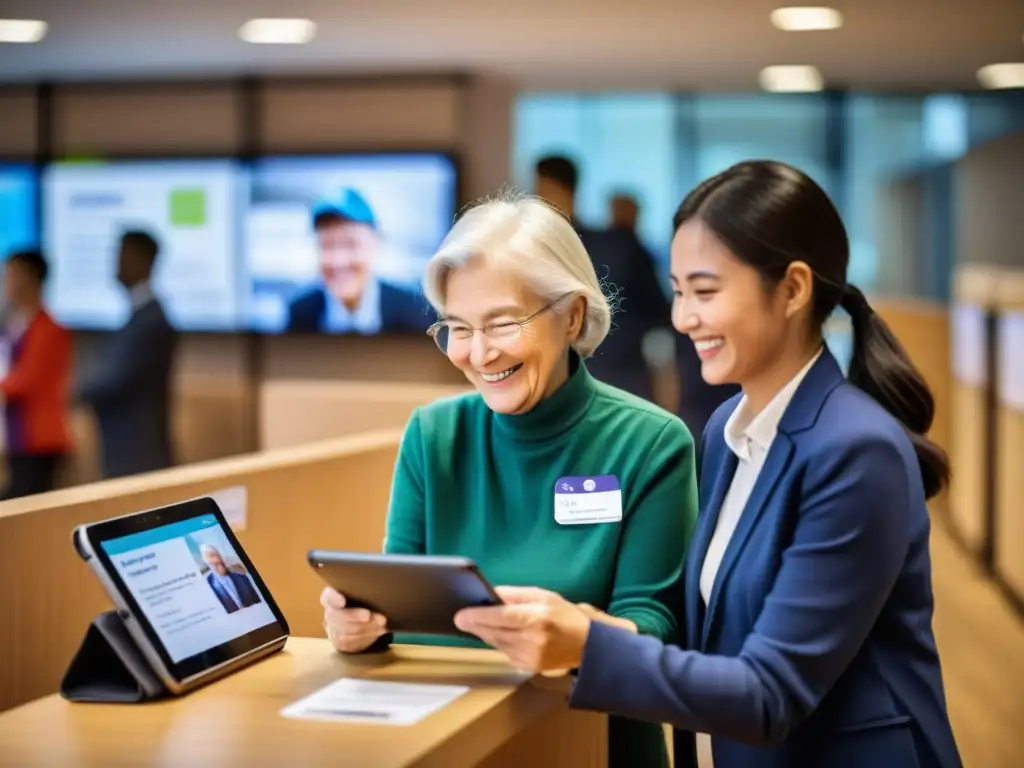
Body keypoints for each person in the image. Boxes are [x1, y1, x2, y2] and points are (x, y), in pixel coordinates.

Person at [453, 161, 962, 768]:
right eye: (676, 291)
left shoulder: (857, 450)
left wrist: (588, 645)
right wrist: (591, 623)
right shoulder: (727, 430)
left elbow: (770, 692)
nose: (682, 317)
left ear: (794, 289)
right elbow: (718, 634)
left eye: (706, 291)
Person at [320, 192, 699, 767]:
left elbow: (657, 631)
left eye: (501, 323)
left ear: (571, 315)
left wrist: (581, 638)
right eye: (457, 328)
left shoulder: (650, 442)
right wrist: (359, 626)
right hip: (445, 743)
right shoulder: (433, 435)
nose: (477, 353)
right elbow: (400, 606)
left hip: (590, 743)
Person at [535, 156, 672, 403]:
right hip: (604, 381)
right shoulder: (618, 245)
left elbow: (661, 313)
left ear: (547, 188)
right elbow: (659, 312)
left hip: (611, 381)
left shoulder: (617, 247)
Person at [77, 230, 178, 479]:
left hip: (138, 452)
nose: (116, 264)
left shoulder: (150, 320)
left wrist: (73, 391)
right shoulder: (140, 316)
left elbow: (116, 379)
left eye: (122, 255)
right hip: (129, 449)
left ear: (141, 260)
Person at [286, 188, 432, 334]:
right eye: (327, 245)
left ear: (376, 243)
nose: (338, 261)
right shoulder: (300, 314)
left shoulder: (415, 313)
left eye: (351, 244)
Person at [0, 250, 72, 499]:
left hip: (39, 440)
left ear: (29, 279)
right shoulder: (16, 325)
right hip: (18, 438)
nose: (5, 282)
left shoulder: (49, 328)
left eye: (10, 275)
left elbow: (27, 379)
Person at [201, 544, 262, 613]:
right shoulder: (208, 586)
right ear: (205, 561)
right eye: (212, 556)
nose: (218, 559)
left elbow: (258, 601)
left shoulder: (242, 577)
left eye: (218, 555)